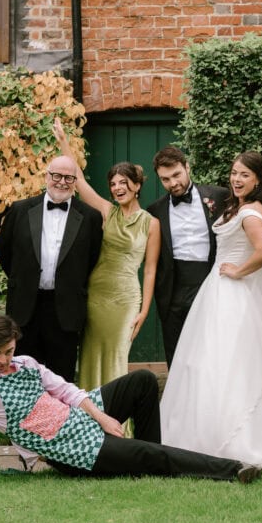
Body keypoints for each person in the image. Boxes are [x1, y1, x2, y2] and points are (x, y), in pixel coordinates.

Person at [0, 314, 262, 485]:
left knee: (143, 380)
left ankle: (149, 460)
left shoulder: (27, 363)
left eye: (9, 351)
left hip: (80, 418)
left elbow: (66, 390)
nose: (5, 360)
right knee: (147, 453)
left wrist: (101, 416)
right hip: (70, 448)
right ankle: (233, 469)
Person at [160, 152, 262, 469]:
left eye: (244, 174)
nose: (236, 179)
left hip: (233, 295)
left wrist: (238, 271)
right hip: (217, 293)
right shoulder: (237, 206)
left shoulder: (249, 212)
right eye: (234, 172)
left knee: (227, 364)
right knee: (210, 363)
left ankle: (235, 436)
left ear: (258, 180)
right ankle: (204, 431)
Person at [54, 119, 161, 390]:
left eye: (123, 182)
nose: (117, 188)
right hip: (96, 296)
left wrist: (144, 310)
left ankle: (116, 413)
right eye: (113, 184)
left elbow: (150, 269)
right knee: (91, 356)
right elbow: (78, 180)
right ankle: (90, 413)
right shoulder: (106, 211)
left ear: (136, 185)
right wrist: (64, 143)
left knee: (116, 356)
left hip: (126, 300)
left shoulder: (151, 223)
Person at [0, 155, 103, 381]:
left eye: (69, 178)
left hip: (65, 310)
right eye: (57, 176)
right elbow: (4, 251)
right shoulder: (20, 210)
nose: (62, 182)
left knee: (62, 379)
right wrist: (25, 279)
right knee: (24, 377)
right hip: (26, 308)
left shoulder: (90, 217)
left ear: (75, 181)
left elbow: (91, 258)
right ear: (46, 176)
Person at [146, 146, 229, 366]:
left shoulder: (219, 197)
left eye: (176, 175)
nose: (173, 183)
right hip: (172, 290)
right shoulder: (154, 210)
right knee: (176, 356)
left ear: (187, 167)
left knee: (210, 352)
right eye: (165, 179)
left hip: (209, 283)